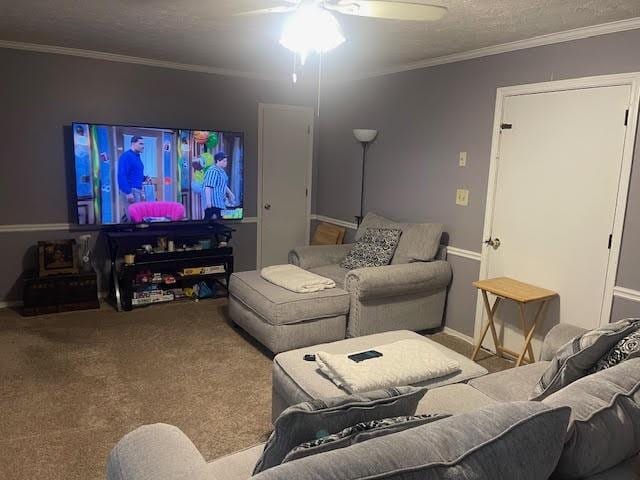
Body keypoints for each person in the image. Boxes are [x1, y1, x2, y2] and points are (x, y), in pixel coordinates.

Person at [117, 136, 146, 222]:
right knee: (133, 219)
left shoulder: (137, 157)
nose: (143, 146)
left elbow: (134, 174)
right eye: (140, 143)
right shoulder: (126, 156)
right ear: (133, 144)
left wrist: (144, 178)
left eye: (143, 144)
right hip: (131, 190)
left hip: (137, 190)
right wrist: (128, 192)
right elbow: (122, 175)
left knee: (137, 217)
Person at [203, 152, 235, 220]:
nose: (226, 162)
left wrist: (230, 193)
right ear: (217, 161)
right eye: (224, 161)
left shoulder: (222, 171)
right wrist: (209, 203)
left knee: (223, 219)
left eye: (226, 161)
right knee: (210, 224)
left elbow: (222, 184)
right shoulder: (213, 171)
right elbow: (208, 187)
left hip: (220, 203)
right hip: (213, 205)